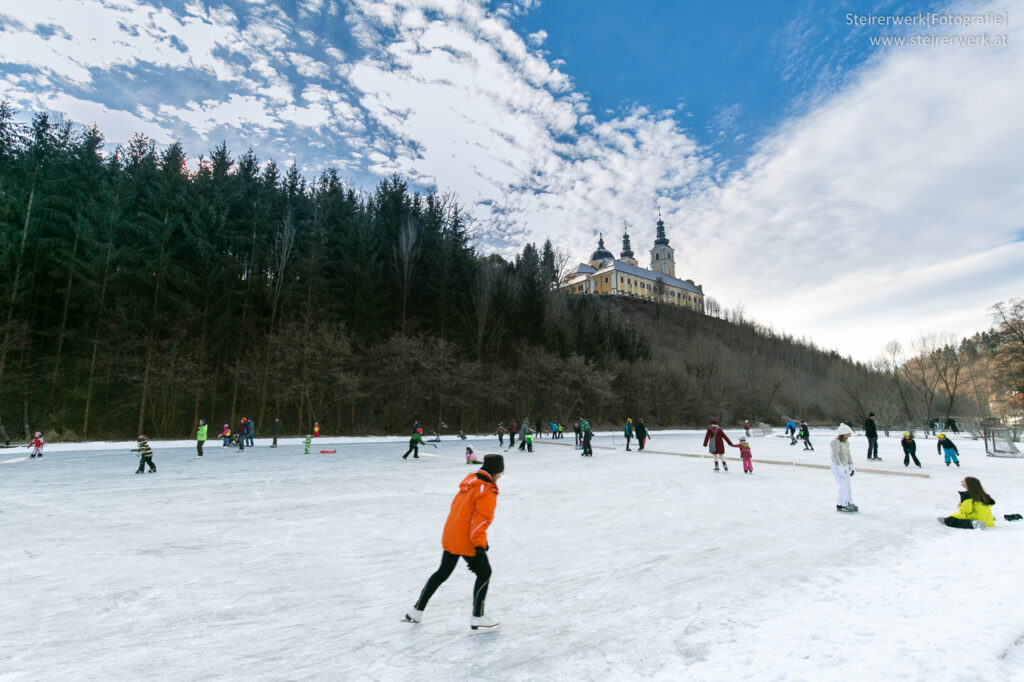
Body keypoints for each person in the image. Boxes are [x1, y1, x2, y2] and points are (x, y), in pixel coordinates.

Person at [403, 454, 504, 633]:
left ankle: (416, 611)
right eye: (500, 473)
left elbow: (464, 513)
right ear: (495, 472)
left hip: (451, 535)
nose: (500, 477)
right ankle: (478, 616)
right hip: (466, 539)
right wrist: (479, 546)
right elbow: (480, 520)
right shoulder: (486, 490)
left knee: (442, 573)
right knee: (485, 572)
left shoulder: (470, 482)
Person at [830, 424, 857, 512]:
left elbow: (848, 454)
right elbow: (835, 455)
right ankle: (841, 504)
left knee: (847, 485)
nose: (850, 435)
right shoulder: (835, 442)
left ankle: (849, 501)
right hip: (837, 465)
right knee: (842, 485)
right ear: (844, 433)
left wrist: (851, 465)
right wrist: (839, 467)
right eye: (848, 433)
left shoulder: (846, 442)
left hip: (845, 465)